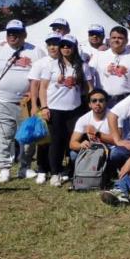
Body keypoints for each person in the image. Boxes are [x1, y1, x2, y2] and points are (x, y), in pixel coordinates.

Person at [0, 19, 44, 183]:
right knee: (4, 136)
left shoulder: (36, 51)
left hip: (27, 104)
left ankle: (25, 167)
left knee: (28, 137)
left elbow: (45, 73)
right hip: (3, 101)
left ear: (24, 35)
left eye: (17, 33)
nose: (13, 36)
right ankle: (4, 168)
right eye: (9, 33)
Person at [39, 34, 93, 186]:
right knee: (55, 142)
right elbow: (42, 88)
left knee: (74, 141)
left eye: (68, 45)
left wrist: (92, 105)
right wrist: (44, 107)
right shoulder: (51, 65)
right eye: (62, 45)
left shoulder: (82, 66)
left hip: (74, 109)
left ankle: (71, 170)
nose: (65, 48)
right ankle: (55, 172)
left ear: (74, 47)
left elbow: (90, 88)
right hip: (55, 109)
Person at [29, 33, 62, 184]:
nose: (53, 47)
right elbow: (34, 85)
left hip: (60, 106)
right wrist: (36, 106)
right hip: (44, 106)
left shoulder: (65, 61)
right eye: (50, 44)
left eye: (56, 44)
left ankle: (56, 168)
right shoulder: (40, 63)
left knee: (58, 139)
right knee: (43, 138)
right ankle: (42, 168)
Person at [91, 26, 130, 107]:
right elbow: (88, 77)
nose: (116, 40)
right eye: (113, 37)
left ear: (126, 40)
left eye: (120, 38)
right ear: (109, 40)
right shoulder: (98, 56)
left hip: (127, 100)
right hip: (103, 101)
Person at [69, 88, 116, 160]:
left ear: (106, 102)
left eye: (101, 100)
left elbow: (117, 141)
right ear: (89, 104)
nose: (97, 103)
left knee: (116, 154)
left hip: (110, 149)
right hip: (93, 150)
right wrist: (81, 145)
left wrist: (97, 134)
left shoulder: (113, 116)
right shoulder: (83, 119)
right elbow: (72, 143)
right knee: (73, 154)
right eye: (94, 101)